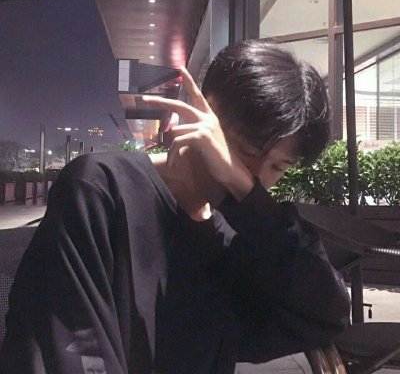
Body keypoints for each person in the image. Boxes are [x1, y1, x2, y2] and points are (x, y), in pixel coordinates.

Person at [0, 40, 350, 374]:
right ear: (203, 113)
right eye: (247, 151)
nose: (255, 176)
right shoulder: (101, 188)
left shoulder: (237, 237)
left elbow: (327, 313)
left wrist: (246, 193)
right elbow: (70, 348)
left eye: (278, 167)